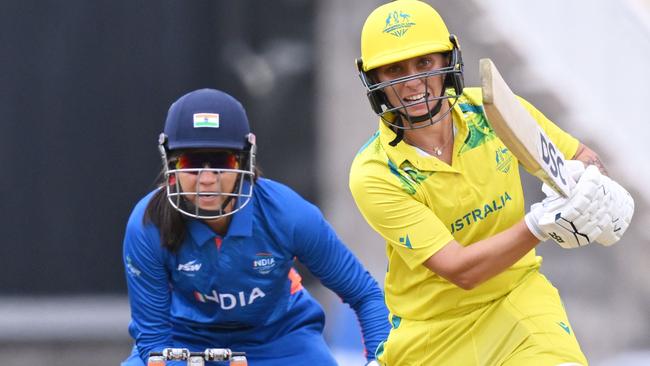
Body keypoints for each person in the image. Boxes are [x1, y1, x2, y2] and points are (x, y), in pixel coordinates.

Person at [348, 1, 635, 365]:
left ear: (447, 60)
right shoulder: (375, 172)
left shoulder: (494, 112)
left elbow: (581, 158)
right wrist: (539, 224)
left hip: (517, 301)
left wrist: (590, 184)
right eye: (395, 70)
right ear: (375, 81)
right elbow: (460, 270)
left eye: (424, 63)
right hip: (432, 333)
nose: (412, 83)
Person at [121, 88, 389, 366]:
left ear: (244, 160)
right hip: (186, 339)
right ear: (171, 163)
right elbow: (154, 340)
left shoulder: (288, 214)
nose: (207, 178)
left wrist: (378, 362)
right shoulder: (147, 224)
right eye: (191, 162)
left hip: (279, 338)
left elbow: (364, 294)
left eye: (222, 162)